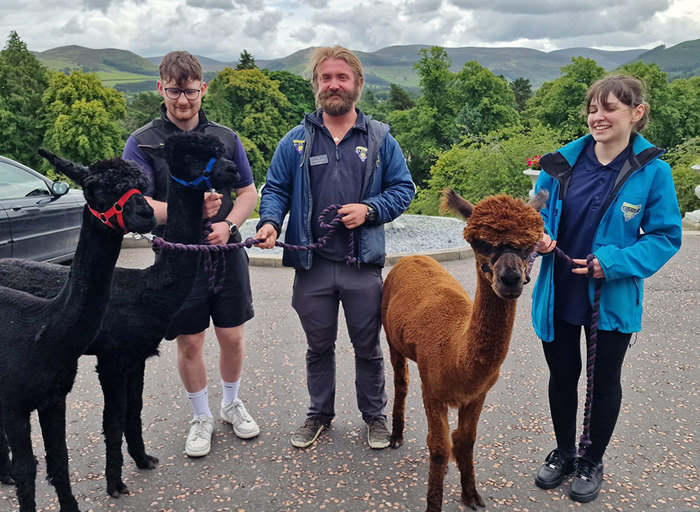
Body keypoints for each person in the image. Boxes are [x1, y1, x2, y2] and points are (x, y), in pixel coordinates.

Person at [254, 46, 415, 450]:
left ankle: (374, 416)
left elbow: (404, 189)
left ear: (357, 84)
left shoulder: (379, 139)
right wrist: (271, 222)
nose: (334, 84)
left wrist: (371, 209)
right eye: (326, 78)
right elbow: (275, 188)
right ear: (316, 85)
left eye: (342, 77)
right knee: (318, 346)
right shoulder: (295, 142)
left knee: (368, 347)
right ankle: (319, 414)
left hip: (362, 265)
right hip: (313, 264)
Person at [531, 74, 682, 503]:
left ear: (636, 113)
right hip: (558, 290)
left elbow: (665, 236)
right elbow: (534, 216)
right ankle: (562, 452)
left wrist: (612, 263)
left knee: (603, 380)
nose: (598, 117)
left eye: (610, 108)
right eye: (593, 109)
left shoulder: (653, 172)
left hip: (610, 296)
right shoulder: (559, 164)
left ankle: (591, 459)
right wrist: (538, 236)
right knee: (563, 375)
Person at [122, 50, 259, 458]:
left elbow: (249, 192)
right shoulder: (143, 142)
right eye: (175, 91)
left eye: (191, 91)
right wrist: (187, 210)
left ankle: (230, 404)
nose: (183, 101)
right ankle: (201, 416)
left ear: (204, 89)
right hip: (178, 258)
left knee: (232, 337)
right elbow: (137, 204)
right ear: (160, 87)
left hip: (225, 250)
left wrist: (229, 224)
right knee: (191, 342)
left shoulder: (226, 138)